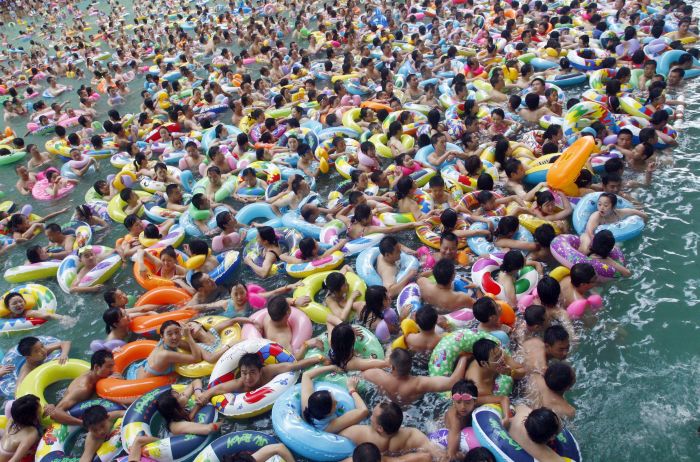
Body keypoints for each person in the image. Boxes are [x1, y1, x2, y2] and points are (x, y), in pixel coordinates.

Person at [129, 380, 220, 461]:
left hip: (176, 427)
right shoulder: (177, 425)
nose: (183, 394)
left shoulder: (179, 407)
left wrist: (198, 393)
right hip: (170, 446)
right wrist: (223, 422)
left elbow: (195, 382)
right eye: (180, 396)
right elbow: (208, 429)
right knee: (139, 440)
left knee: (140, 440)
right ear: (176, 408)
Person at [196, 352, 325, 406]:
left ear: (260, 370)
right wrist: (204, 396)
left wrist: (318, 359)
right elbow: (217, 388)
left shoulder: (268, 372)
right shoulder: (240, 384)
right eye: (244, 373)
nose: (247, 377)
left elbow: (293, 366)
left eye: (252, 372)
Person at [361, 348, 468, 405]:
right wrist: (464, 357)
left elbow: (361, 373)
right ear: (411, 365)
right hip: (413, 406)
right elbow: (454, 382)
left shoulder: (379, 376)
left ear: (392, 367)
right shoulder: (419, 383)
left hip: (388, 404)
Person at [339, 402, 440, 458]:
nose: (370, 418)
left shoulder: (360, 433)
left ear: (380, 428)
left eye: (373, 416)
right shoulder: (411, 435)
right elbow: (438, 453)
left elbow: (335, 437)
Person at [45, 350, 116, 425]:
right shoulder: (83, 389)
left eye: (112, 366)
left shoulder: (94, 375)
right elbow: (56, 413)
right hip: (68, 409)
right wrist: (85, 423)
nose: (112, 370)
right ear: (96, 367)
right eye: (109, 367)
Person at [302, 370, 368, 433]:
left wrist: (332, 367)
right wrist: (352, 389)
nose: (337, 401)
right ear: (328, 413)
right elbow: (363, 411)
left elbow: (306, 375)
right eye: (334, 404)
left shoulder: (308, 406)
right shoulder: (329, 427)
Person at [578, 193, 647, 254]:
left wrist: (644, 223)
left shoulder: (620, 213)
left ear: (613, 207)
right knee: (586, 245)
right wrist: (594, 243)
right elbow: (589, 231)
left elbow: (641, 214)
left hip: (613, 239)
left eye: (605, 205)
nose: (601, 208)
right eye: (599, 204)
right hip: (593, 236)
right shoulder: (596, 216)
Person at [137, 320, 203, 379]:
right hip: (139, 381)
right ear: (162, 336)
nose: (174, 337)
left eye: (177, 332)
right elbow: (197, 358)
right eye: (169, 334)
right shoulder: (165, 355)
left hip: (140, 369)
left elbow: (190, 347)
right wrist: (188, 336)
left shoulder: (168, 341)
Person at [444, 379, 480, 460]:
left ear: (475, 401)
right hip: (448, 429)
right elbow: (455, 432)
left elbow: (501, 399)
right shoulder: (454, 415)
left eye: (467, 403)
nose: (463, 406)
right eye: (458, 402)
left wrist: (505, 417)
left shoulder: (477, 404)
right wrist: (451, 453)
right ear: (454, 402)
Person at [0, 395, 43, 461]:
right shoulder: (31, 432)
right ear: (32, 416)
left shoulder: (12, 419)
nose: (41, 408)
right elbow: (14, 460)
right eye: (39, 409)